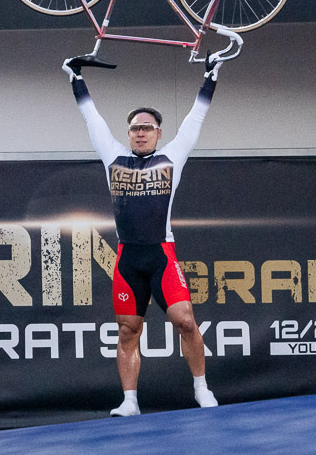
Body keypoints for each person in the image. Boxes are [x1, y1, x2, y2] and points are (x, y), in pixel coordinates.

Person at [63, 54, 221, 416]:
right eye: (135, 127)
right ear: (129, 133)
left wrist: (211, 78)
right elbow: (92, 118)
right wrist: (76, 79)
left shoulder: (172, 157)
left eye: (147, 127)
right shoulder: (113, 156)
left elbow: (195, 119)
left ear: (158, 133)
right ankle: (130, 401)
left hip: (161, 255)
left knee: (185, 322)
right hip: (128, 259)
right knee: (127, 331)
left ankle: (201, 389)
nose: (140, 132)